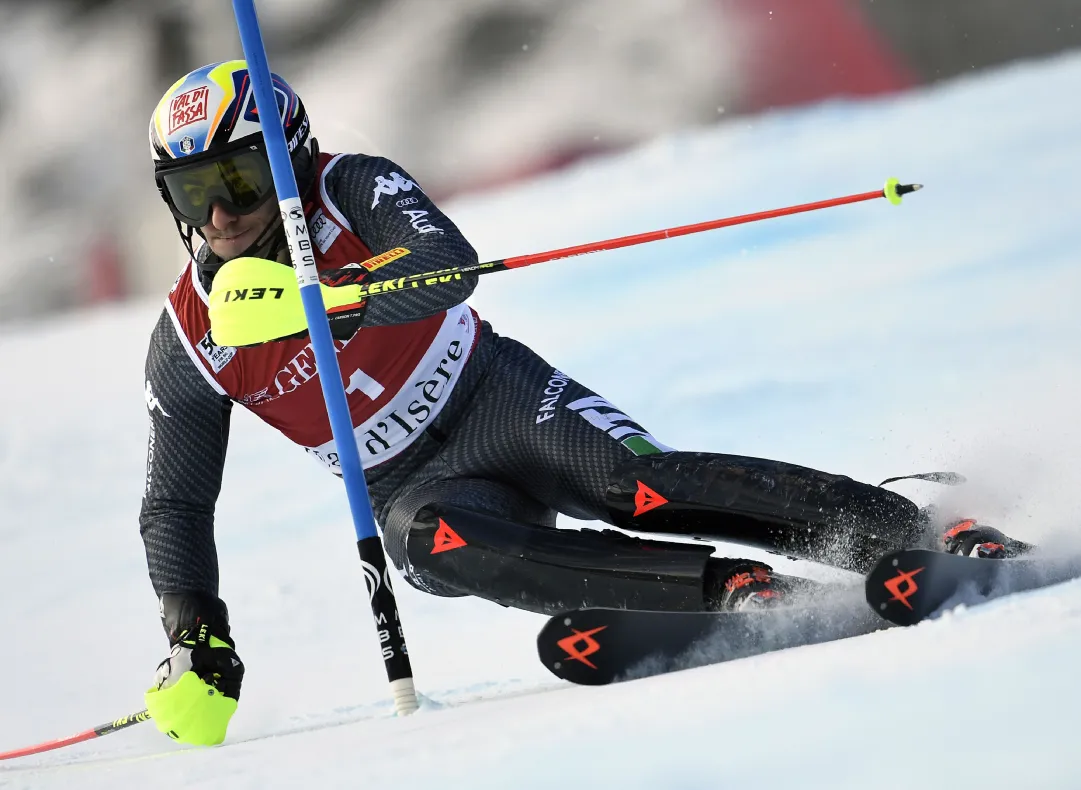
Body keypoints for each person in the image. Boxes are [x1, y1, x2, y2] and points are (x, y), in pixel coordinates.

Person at [139, 61, 1025, 745]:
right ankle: (730, 596)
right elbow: (176, 502)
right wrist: (195, 633)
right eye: (194, 193)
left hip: (497, 396)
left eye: (243, 182)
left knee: (639, 485)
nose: (220, 216)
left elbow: (444, 263)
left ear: (291, 158)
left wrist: (337, 297)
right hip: (414, 486)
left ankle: (908, 529)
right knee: (436, 546)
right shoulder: (189, 336)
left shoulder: (351, 188)